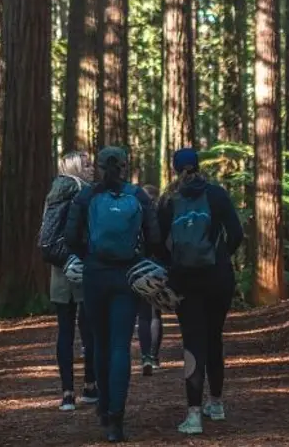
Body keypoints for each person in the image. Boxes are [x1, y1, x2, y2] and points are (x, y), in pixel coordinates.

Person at [65, 146, 161, 443]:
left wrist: (90, 256)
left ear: (100, 166)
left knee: (100, 343)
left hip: (95, 275)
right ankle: (116, 422)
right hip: (127, 276)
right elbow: (155, 238)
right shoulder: (138, 196)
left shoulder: (86, 196)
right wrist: (140, 257)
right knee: (121, 345)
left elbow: (70, 238)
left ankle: (104, 409)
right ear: (123, 166)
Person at [157, 148, 244, 435]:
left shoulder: (168, 200)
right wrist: (220, 257)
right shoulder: (216, 193)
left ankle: (193, 415)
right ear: (198, 166)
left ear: (175, 169)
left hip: (186, 282)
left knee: (193, 343)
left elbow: (158, 245)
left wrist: (173, 271)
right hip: (218, 278)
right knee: (214, 338)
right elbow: (236, 234)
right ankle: (216, 404)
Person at [38, 151, 98, 411]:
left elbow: (47, 233)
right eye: (86, 164)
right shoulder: (83, 191)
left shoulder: (54, 192)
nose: (92, 167)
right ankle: (90, 386)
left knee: (65, 331)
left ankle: (67, 394)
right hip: (82, 266)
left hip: (60, 269)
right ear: (75, 167)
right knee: (88, 331)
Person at [136, 184, 164, 376]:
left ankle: (145, 356)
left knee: (143, 315)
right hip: (158, 265)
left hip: (139, 265)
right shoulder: (161, 214)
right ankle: (154, 357)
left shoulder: (136, 214)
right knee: (156, 314)